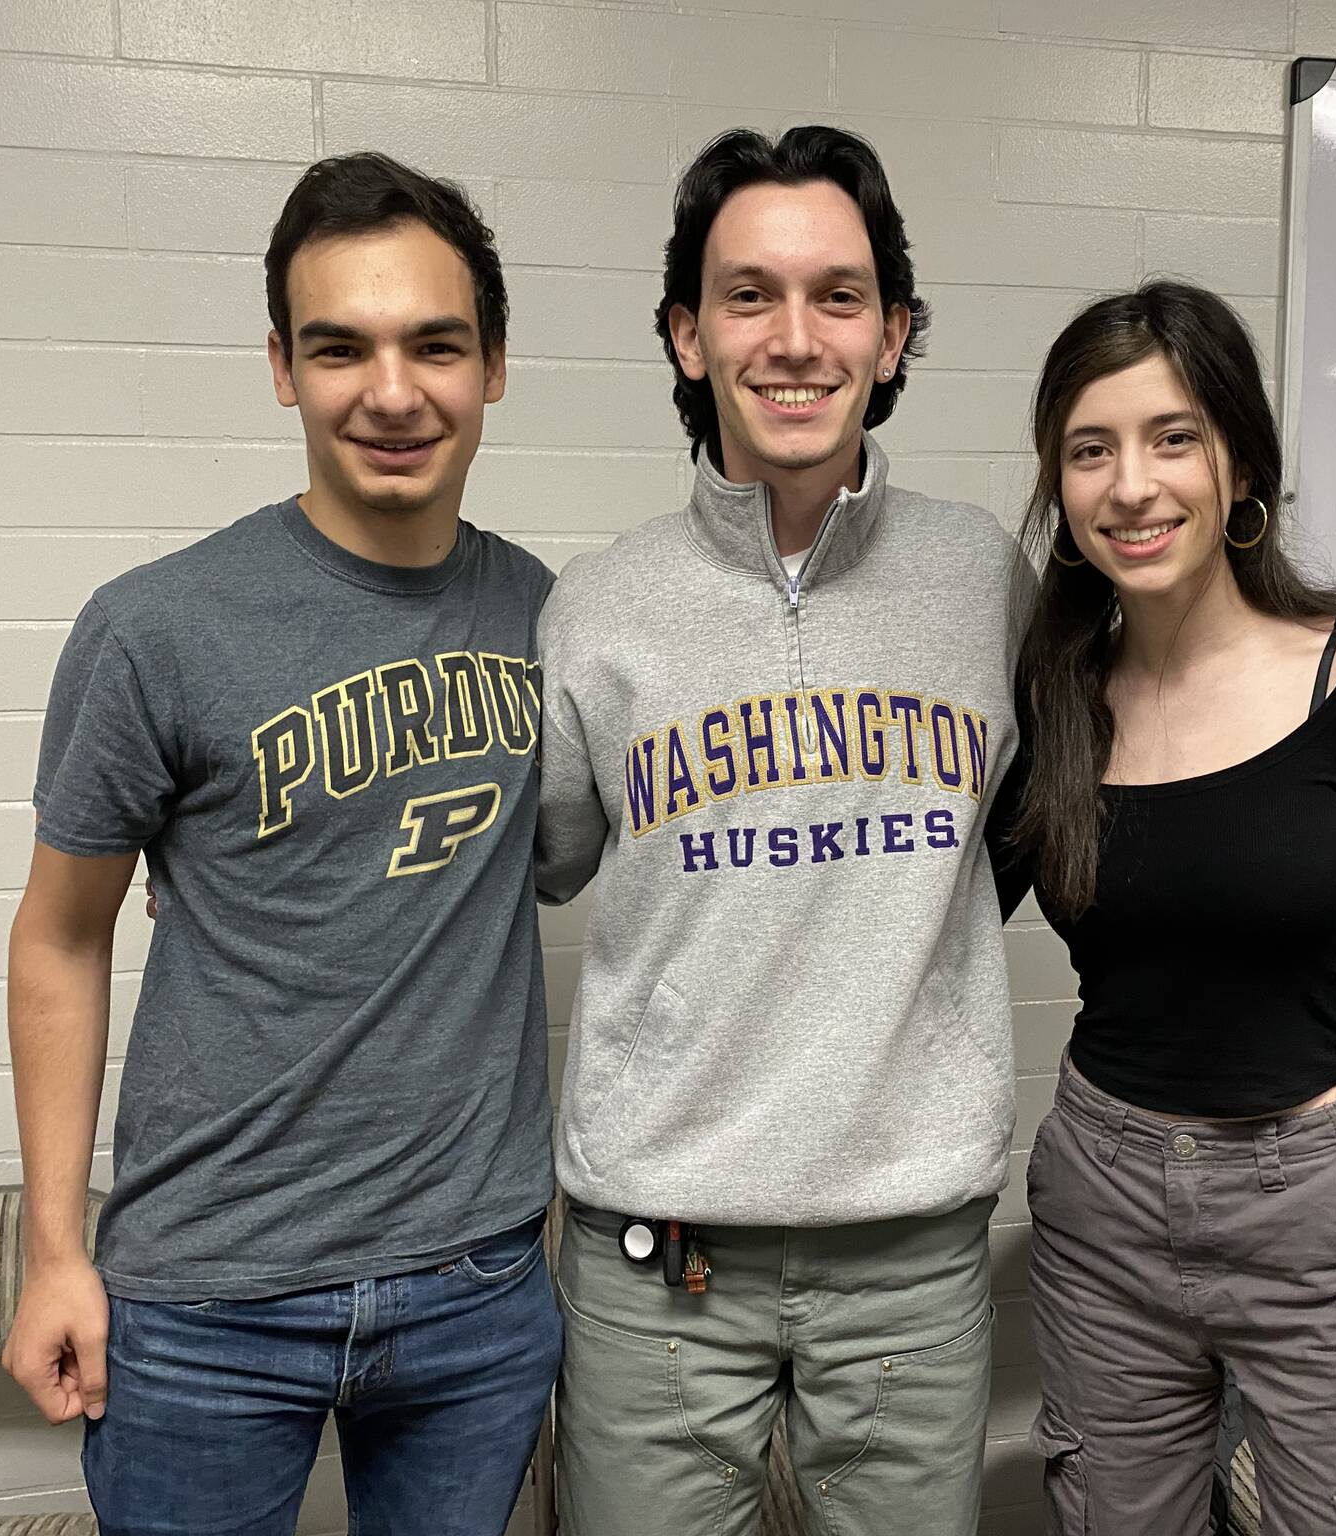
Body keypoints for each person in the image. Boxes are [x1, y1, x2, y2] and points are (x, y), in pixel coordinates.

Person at [1, 152, 560, 1536]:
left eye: (435, 344)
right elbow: (58, 942)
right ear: (280, 368)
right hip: (206, 1300)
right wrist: (56, 1252)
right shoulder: (157, 628)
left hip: (477, 1289)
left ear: (493, 365)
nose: (390, 391)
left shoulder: (550, 616)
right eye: (339, 347)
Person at [534, 125, 1023, 1536]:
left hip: (910, 1253)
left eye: (840, 296)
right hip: (657, 1257)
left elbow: (1034, 824)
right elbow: (546, 862)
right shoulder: (599, 608)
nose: (795, 339)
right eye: (748, 295)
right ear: (688, 335)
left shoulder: (986, 580)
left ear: (895, 335)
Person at [995, 280, 1336, 1536]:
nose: (1130, 486)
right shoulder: (1057, 692)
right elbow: (926, 917)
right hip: (1100, 1198)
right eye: (1088, 449)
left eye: (1173, 437)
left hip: (1312, 1210)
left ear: (1240, 461)